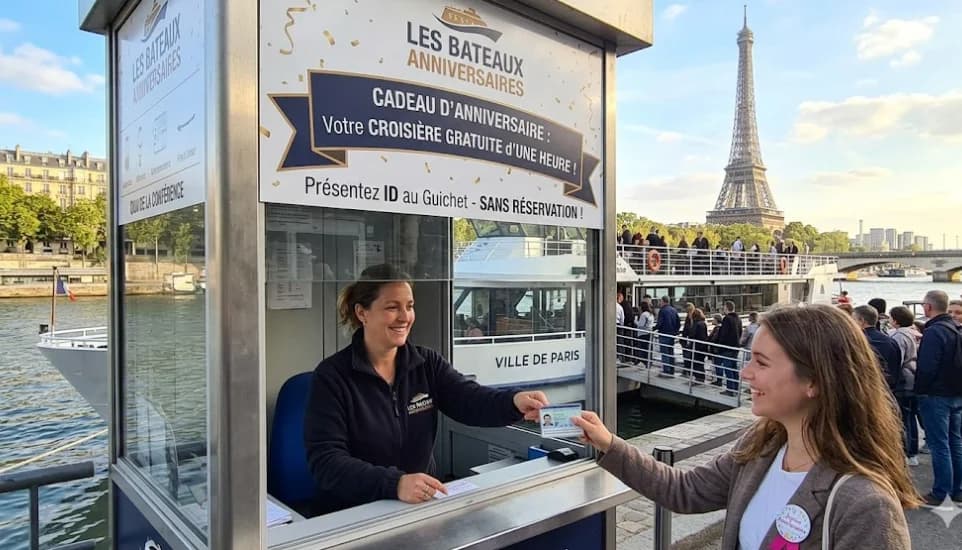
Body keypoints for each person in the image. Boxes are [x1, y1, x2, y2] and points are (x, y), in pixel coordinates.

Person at [572, 305, 918, 549]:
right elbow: (684, 490)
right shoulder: (763, 444)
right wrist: (610, 444)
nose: (745, 373)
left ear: (813, 380)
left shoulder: (865, 505)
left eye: (761, 362)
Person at [303, 264, 549, 514]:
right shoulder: (332, 376)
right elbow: (327, 462)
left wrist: (514, 402)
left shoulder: (426, 363)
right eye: (392, 307)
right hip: (355, 513)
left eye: (409, 306)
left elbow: (470, 400)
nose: (404, 317)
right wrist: (395, 484)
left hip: (418, 507)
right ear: (362, 313)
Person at [915, 290, 962, 506]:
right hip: (955, 392)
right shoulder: (955, 329)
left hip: (936, 394)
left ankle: (941, 491)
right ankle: (956, 488)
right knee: (955, 441)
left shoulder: (934, 332)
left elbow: (926, 367)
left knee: (939, 444)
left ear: (927, 307)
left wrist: (920, 390)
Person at [888, 306, 922, 466]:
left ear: (895, 320)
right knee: (910, 417)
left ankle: (908, 451)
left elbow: (897, 358)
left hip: (903, 379)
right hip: (913, 377)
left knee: (903, 417)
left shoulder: (899, 336)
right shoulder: (912, 333)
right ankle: (912, 450)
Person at [853, 305, 903, 394]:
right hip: (889, 390)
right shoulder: (891, 341)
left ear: (861, 321)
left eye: (853, 320)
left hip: (867, 390)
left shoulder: (858, 342)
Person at [716, 301, 743, 395]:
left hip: (727, 347)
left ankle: (730, 390)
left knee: (728, 369)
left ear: (727, 308)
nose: (723, 309)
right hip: (735, 347)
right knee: (734, 368)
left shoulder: (727, 319)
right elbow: (740, 332)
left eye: (724, 307)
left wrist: (719, 345)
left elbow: (723, 334)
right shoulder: (738, 319)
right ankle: (735, 388)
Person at [654, 296, 681, 376]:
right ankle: (672, 369)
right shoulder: (674, 310)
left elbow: (660, 323)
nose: (660, 303)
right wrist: (675, 332)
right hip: (672, 335)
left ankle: (667, 370)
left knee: (664, 352)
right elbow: (678, 323)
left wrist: (654, 328)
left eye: (660, 301)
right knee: (670, 352)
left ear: (663, 301)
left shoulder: (662, 310)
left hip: (664, 334)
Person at [689, 308, 709, 383]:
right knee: (701, 362)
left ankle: (698, 378)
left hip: (696, 347)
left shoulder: (696, 324)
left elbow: (692, 334)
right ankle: (701, 377)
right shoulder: (703, 323)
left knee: (696, 362)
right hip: (703, 346)